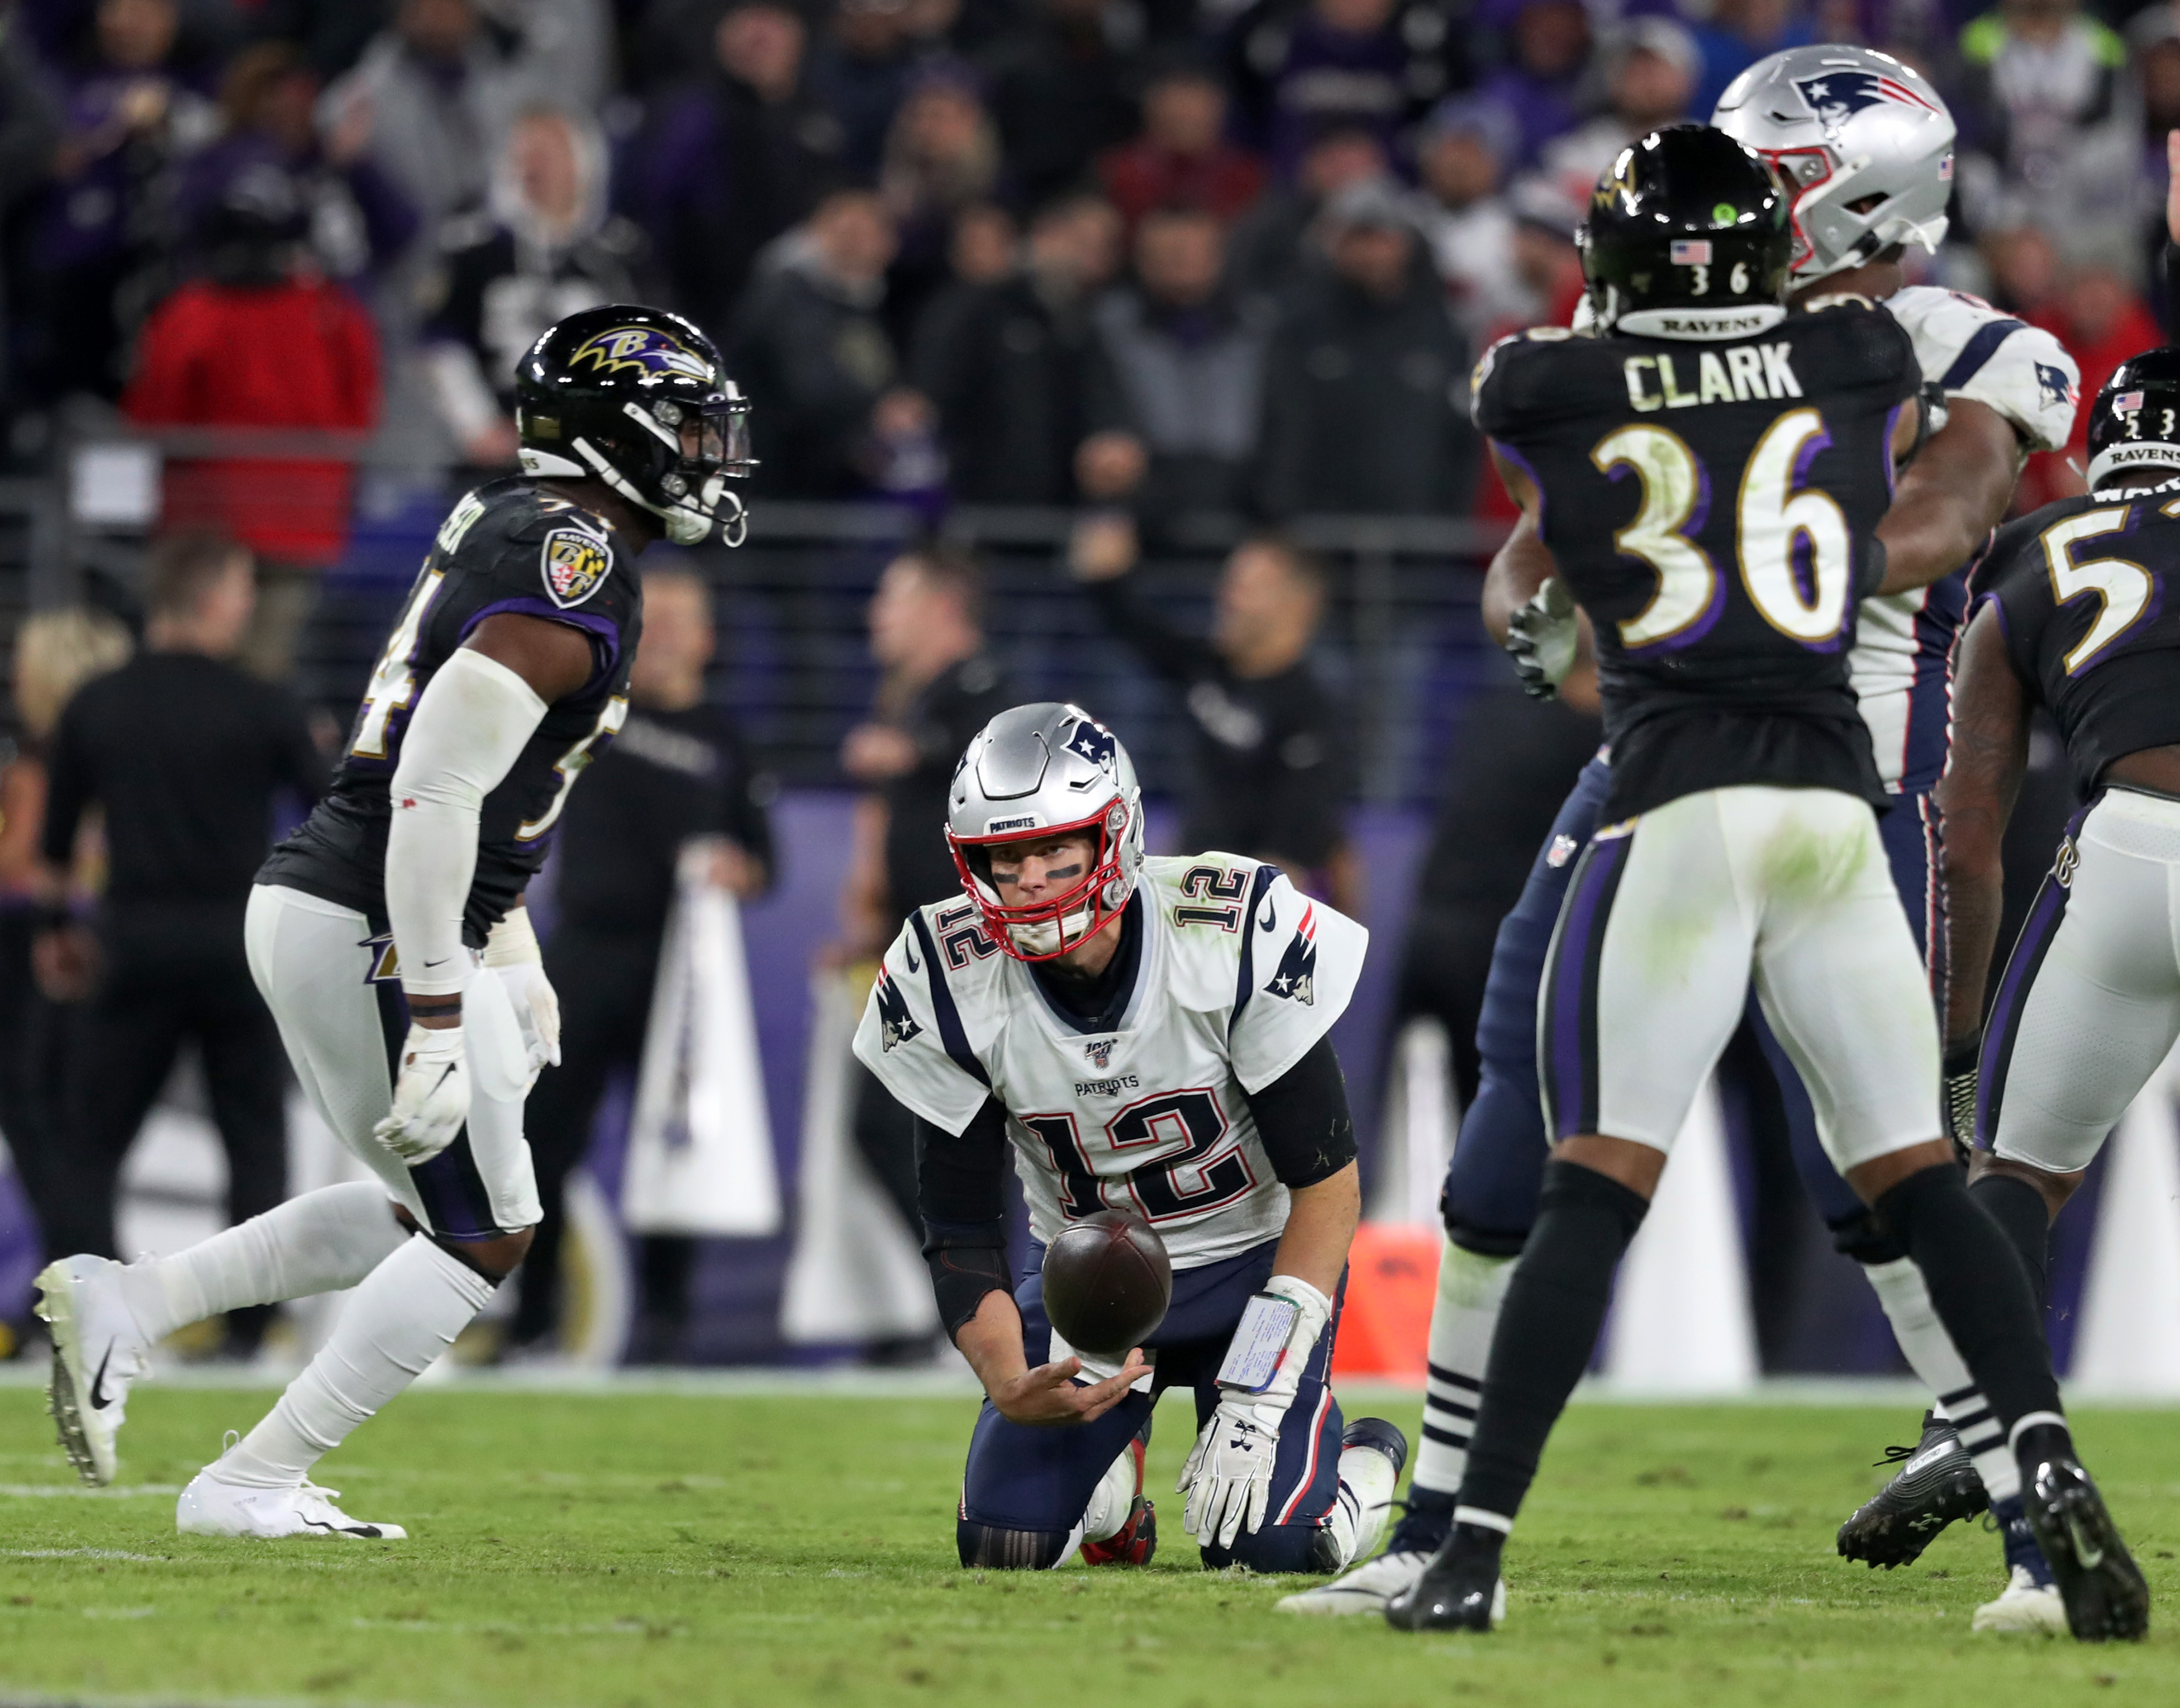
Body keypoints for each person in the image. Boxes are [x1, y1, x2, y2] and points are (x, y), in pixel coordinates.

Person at [1291, 50, 2086, 1637]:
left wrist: (1745, 554)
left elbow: (1943, 511)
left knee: (1875, 1178)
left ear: (1853, 188)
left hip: (1855, 787)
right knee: (1513, 1126)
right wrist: (1549, 616)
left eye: (1767, 172)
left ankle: (2029, 1528)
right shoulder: (1655, 333)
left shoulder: (1958, 347)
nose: (1735, 205)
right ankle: (1442, 1524)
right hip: (1651, 771)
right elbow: (1526, 559)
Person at [32, 305, 752, 1534]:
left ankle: (132, 1304)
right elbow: (433, 784)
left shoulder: (524, 525)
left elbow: (490, 791)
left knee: (432, 1211)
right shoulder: (569, 557)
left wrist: (507, 946)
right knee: (486, 1235)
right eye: (687, 427)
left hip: (346, 902)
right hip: (372, 911)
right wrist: (434, 998)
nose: (706, 454)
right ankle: (247, 1479)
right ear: (616, 433)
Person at [852, 700, 1408, 1573]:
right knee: (1002, 1544)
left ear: (1114, 836)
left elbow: (1327, 1186)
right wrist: (1006, 1380)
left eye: (1052, 849)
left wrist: (1261, 1391)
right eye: (1005, 854)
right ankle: (1111, 1471)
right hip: (1087, 1292)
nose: (1029, 878)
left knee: (1268, 1547)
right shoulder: (945, 975)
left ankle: (1365, 1460)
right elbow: (958, 1229)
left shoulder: (1226, 932)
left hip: (1254, 1272)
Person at [1914, 351, 2180, 1550]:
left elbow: (1966, 838)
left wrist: (1960, 1041)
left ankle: (1973, 1428)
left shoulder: (2039, 550)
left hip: (2124, 850)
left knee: (2013, 1175)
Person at [32, 535, 323, 1358]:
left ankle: (96, 1317)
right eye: (239, 590)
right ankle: (248, 1332)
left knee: (89, 1144)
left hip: (136, 947)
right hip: (238, 950)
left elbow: (57, 846)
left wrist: (60, 932)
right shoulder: (263, 700)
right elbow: (328, 809)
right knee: (252, 1142)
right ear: (211, 596)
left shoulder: (100, 702)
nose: (247, 606)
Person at [510, 563, 774, 1362]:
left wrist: (736, 867)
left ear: (707, 639)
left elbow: (765, 862)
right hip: (585, 954)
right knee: (543, 1141)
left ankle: (666, 1326)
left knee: (676, 1148)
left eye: (676, 625)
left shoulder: (727, 741)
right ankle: (533, 1322)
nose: (658, 641)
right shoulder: (592, 712)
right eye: (647, 623)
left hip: (681, 975)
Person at [122, 160, 381, 681]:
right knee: (259, 673)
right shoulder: (329, 311)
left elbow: (153, 415)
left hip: (208, 523)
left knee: (194, 673)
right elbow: (360, 415)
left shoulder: (192, 311)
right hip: (294, 521)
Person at [836, 546, 1010, 1265]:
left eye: (894, 599)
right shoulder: (913, 699)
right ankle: (977, 1293)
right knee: (904, 1130)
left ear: (942, 608)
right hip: (923, 958)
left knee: (916, 1127)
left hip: (980, 959)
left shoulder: (984, 691)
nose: (878, 615)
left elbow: (991, 756)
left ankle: (984, 1294)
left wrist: (911, 750)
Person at [1069, 516, 1357, 911]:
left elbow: (1300, 849)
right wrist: (1105, 581)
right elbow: (1140, 631)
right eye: (1229, 582)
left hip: (1246, 916)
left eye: (1247, 588)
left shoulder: (1311, 715)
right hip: (1188, 896)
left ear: (1298, 605)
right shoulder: (1211, 670)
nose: (1226, 597)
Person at [0, 610, 131, 1297]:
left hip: (34, 943)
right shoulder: (128, 757)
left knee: (39, 1113)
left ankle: (78, 1274)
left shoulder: (44, 763)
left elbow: (23, 866)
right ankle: (91, 1267)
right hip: (107, 937)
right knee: (80, 1122)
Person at [418, 105, 641, 472]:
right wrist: (476, 424)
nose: (533, 166)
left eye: (548, 153)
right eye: (524, 153)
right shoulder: (476, 250)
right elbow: (441, 341)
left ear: (582, 163)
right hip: (501, 460)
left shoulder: (619, 256)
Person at [1253, 178, 1476, 517]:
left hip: (1420, 537)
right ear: (1332, 245)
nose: (1372, 252)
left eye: (1382, 238)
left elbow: (1462, 441)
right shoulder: (1299, 330)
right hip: (1318, 532)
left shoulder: (1444, 332)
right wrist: (1282, 511)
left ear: (1405, 244)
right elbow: (1277, 429)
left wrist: (1450, 517)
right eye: (1358, 238)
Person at [910, 191, 1120, 504]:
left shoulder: (1084, 320)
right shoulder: (979, 307)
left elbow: (1098, 400)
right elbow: (934, 388)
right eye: (1075, 241)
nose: (1080, 256)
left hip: (1060, 501)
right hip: (977, 496)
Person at [1083, 204, 1272, 518]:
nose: (1181, 260)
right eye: (1168, 251)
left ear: (1219, 255)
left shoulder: (1261, 326)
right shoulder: (1107, 326)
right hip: (1142, 503)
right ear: (1142, 259)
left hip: (1245, 498)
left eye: (1193, 250)